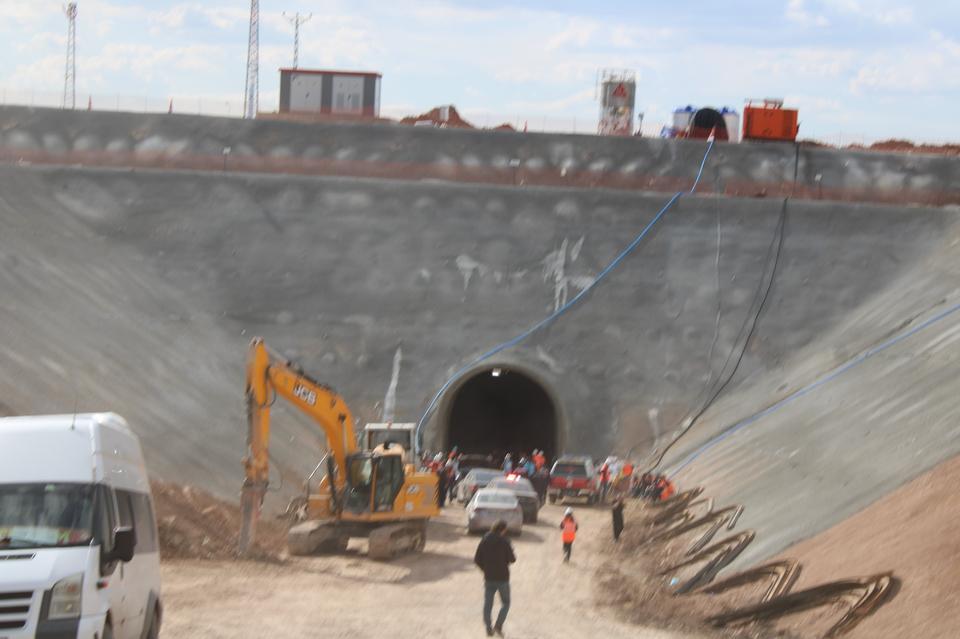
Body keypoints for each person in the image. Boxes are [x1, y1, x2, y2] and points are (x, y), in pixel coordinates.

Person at [474, 520, 516, 637]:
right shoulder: (505, 541)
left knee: (488, 604)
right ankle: (498, 625)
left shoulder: (484, 540)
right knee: (506, 603)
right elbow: (513, 559)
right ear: (502, 530)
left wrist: (485, 569)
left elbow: (477, 559)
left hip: (489, 577)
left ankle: (488, 628)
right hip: (503, 578)